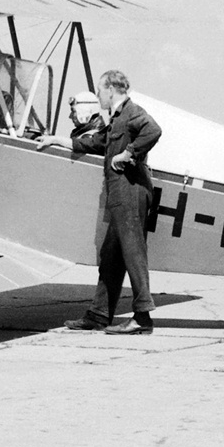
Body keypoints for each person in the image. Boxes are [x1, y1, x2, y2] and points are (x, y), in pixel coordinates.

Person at [54, 70, 162, 335]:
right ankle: (99, 315)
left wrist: (128, 153)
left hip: (130, 191)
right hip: (120, 194)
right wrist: (56, 140)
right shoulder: (117, 118)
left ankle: (142, 317)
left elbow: (153, 130)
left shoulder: (131, 112)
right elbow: (97, 142)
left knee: (133, 253)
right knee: (111, 256)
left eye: (100, 90)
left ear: (111, 89)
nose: (98, 96)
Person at [35, 91, 104, 151]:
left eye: (73, 111)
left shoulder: (90, 138)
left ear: (84, 112)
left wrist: (55, 140)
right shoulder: (89, 135)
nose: (70, 116)